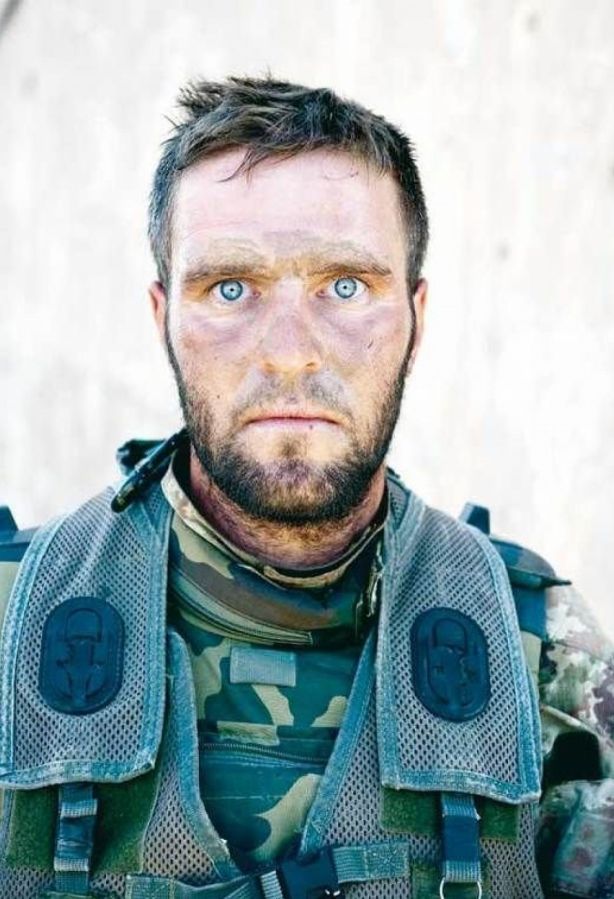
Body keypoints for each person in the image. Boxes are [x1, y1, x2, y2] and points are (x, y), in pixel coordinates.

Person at [0, 76, 611, 899]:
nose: (290, 351)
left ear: (415, 320)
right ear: (163, 319)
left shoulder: (534, 652)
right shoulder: (11, 628)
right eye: (230, 288)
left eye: (346, 287)